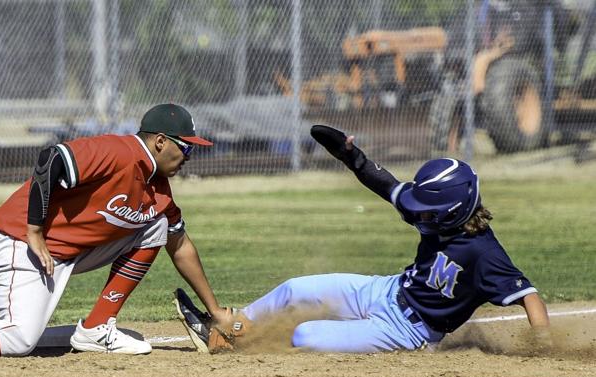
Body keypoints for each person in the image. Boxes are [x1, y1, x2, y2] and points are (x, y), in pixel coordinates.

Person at [0, 103, 233, 360]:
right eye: (187, 148)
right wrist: (35, 230)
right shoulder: (118, 151)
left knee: (158, 225)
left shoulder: (159, 193)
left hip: (67, 254)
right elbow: (51, 159)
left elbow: (180, 245)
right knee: (18, 339)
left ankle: (96, 327)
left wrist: (214, 311)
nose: (189, 157)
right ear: (161, 141)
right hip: (21, 243)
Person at [175, 125, 550, 353]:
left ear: (451, 213)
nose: (416, 213)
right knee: (294, 289)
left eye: (425, 211)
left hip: (407, 330)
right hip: (386, 291)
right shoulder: (438, 216)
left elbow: (528, 297)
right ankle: (230, 326)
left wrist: (544, 346)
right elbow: (384, 183)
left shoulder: (485, 253)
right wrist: (352, 158)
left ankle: (239, 345)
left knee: (306, 336)